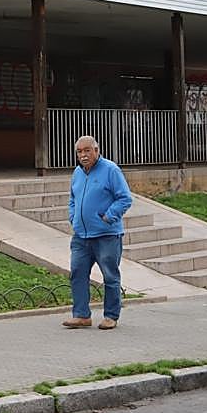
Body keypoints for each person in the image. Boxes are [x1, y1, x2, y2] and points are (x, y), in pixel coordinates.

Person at [63, 135, 132, 330]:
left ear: (96, 150)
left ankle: (111, 315)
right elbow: (73, 198)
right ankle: (81, 315)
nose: (83, 155)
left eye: (87, 150)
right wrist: (73, 216)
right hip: (81, 236)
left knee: (110, 275)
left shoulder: (110, 170)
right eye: (79, 152)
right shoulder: (77, 173)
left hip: (106, 235)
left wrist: (109, 216)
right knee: (77, 273)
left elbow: (125, 198)